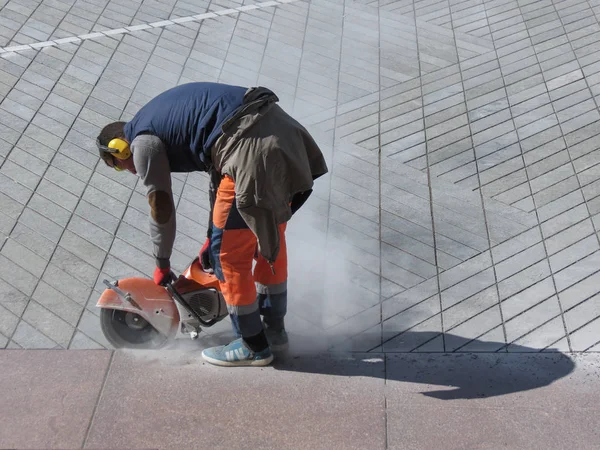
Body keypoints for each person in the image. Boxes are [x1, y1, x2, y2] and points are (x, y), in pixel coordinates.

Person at [96, 82, 328, 367]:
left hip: (250, 151)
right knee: (267, 242)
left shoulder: (142, 143)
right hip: (287, 139)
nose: (130, 171)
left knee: (228, 256)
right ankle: (274, 332)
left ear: (120, 150)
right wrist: (211, 234)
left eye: (120, 166)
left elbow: (161, 206)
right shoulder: (158, 119)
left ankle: (252, 346)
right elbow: (217, 176)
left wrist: (162, 261)